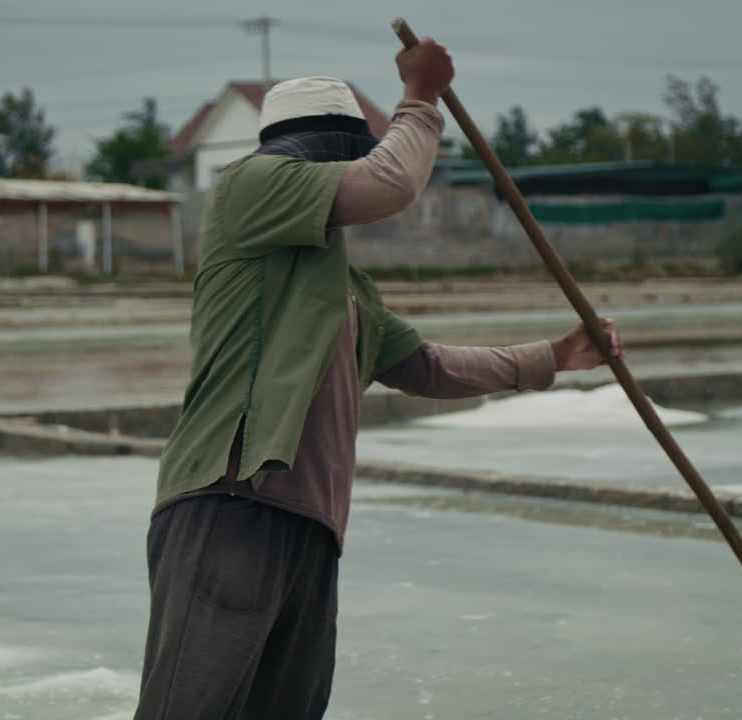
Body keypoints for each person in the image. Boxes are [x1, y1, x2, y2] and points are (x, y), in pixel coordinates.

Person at [134, 38, 623, 719]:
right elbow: (391, 185)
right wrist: (419, 100)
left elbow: (426, 366)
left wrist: (552, 357)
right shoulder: (247, 186)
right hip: (230, 500)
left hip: (309, 522)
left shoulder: (346, 290)